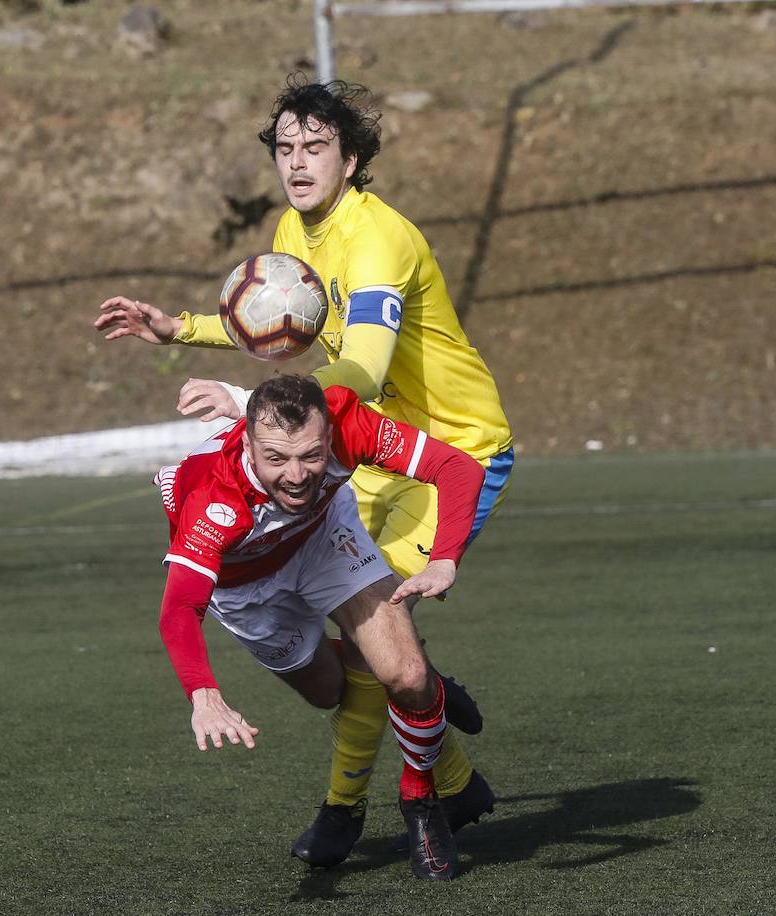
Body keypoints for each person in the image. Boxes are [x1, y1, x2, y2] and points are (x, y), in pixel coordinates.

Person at [95, 76, 514, 868]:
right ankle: (450, 774)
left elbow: (359, 364)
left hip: (448, 450)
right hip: (349, 449)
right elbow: (278, 325)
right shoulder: (293, 227)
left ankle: (374, 807)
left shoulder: (378, 238)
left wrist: (258, 409)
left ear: (351, 160)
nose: (297, 162)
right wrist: (177, 327)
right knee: (381, 657)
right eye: (285, 147)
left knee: (370, 653)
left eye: (316, 147)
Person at [154, 374, 485, 880]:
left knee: (406, 677)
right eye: (276, 460)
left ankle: (420, 800)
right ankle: (423, 683)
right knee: (331, 691)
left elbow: (454, 465)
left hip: (325, 537)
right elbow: (179, 608)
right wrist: (202, 691)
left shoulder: (346, 423)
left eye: (311, 456)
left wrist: (445, 559)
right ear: (245, 441)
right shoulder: (213, 498)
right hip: (245, 588)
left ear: (327, 434)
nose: (296, 475)